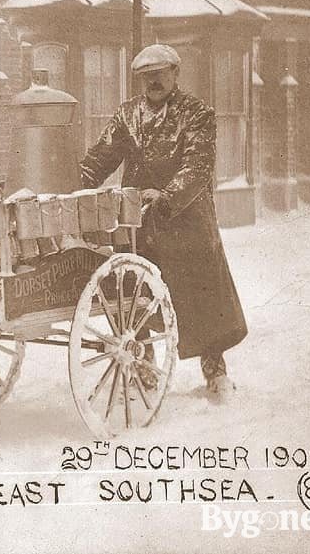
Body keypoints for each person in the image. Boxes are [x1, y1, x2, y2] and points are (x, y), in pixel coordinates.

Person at [78, 44, 248, 403]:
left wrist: (167, 195)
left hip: (186, 221)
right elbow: (100, 158)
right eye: (146, 76)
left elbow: (197, 165)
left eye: (160, 73)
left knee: (202, 298)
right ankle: (144, 370)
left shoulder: (197, 114)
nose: (153, 81)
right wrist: (75, 183)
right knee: (134, 296)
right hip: (139, 223)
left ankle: (214, 371)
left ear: (175, 73)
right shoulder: (127, 116)